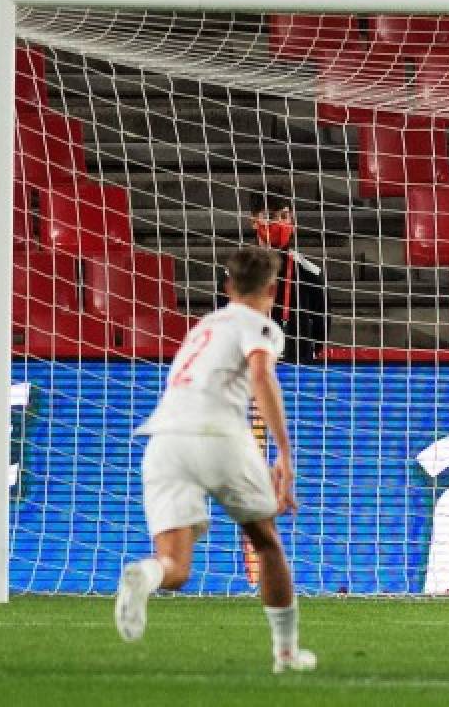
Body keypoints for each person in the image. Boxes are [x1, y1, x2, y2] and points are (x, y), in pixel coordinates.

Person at [116, 246, 315, 674]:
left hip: (165, 439)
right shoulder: (260, 325)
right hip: (218, 435)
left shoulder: (203, 326)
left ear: (227, 286)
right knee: (266, 541)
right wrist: (283, 452)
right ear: (272, 288)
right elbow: (261, 376)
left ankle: (146, 575)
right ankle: (286, 654)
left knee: (176, 567)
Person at [218, 186, 327, 364]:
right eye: (269, 216)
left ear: (292, 221)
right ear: (254, 221)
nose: (278, 222)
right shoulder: (234, 273)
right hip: (247, 370)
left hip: (298, 371)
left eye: (284, 216)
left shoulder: (310, 273)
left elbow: (321, 330)